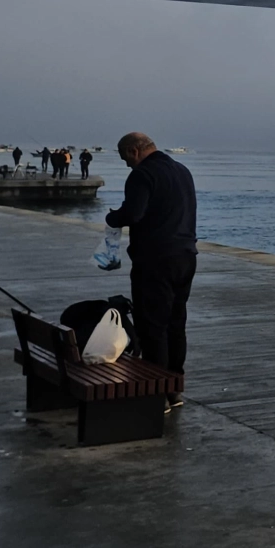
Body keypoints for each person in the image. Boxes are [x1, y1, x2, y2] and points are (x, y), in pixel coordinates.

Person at [105, 132, 196, 410]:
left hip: (155, 259)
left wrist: (113, 217)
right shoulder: (183, 171)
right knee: (176, 323)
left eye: (125, 159)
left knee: (152, 325)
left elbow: (134, 214)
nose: (127, 166)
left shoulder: (143, 175)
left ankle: (156, 392)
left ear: (134, 151)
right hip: (186, 256)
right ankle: (174, 387)